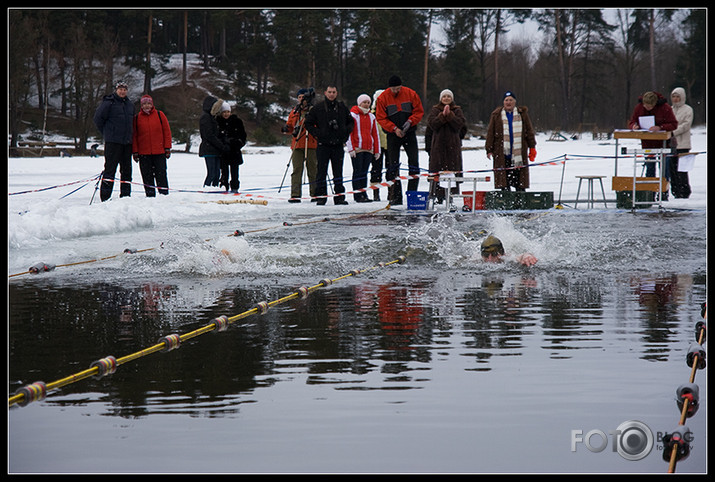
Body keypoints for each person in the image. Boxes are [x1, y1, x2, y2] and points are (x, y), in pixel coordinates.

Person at [375, 76, 424, 205]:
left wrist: (410, 122)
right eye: (393, 89)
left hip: (409, 132)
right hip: (393, 135)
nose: (396, 91)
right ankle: (396, 196)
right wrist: (394, 128)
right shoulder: (383, 98)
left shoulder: (411, 94)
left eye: (398, 88)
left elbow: (419, 111)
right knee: (393, 165)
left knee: (414, 163)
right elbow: (380, 118)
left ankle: (412, 194)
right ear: (389, 87)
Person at [304, 85, 354, 205]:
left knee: (338, 171)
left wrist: (344, 132)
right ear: (325, 93)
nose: (331, 94)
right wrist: (318, 133)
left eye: (334, 92)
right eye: (329, 92)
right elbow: (308, 123)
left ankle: (339, 197)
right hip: (323, 145)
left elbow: (351, 122)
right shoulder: (318, 108)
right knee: (321, 171)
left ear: (336, 93)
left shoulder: (342, 107)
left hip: (338, 145)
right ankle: (321, 196)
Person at [485, 91, 537, 192]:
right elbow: (491, 133)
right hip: (502, 153)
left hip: (518, 154)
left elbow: (529, 131)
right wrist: (489, 149)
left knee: (520, 180)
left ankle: (520, 199)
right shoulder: (496, 115)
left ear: (515, 102)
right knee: (504, 180)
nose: (508, 102)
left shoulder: (522, 114)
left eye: (511, 100)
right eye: (506, 100)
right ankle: (506, 198)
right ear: (503, 102)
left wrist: (532, 147)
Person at [93, 80, 135, 201]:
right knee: (110, 170)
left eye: (125, 90)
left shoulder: (130, 105)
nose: (122, 92)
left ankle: (125, 196)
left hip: (127, 143)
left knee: (126, 170)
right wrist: (108, 133)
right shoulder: (109, 103)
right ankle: (105, 197)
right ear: (116, 90)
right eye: (120, 89)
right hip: (113, 142)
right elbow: (98, 119)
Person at [425, 89, 467, 204]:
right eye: (444, 96)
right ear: (441, 98)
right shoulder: (435, 110)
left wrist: (450, 116)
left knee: (452, 171)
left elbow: (461, 125)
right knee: (437, 172)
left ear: (452, 98)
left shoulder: (457, 110)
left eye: (449, 96)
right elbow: (432, 125)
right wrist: (442, 116)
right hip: (438, 147)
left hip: (453, 147)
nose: (446, 98)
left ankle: (451, 195)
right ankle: (436, 196)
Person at [627, 91, 678, 179]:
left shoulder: (665, 108)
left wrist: (660, 127)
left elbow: (674, 124)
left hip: (664, 145)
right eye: (645, 106)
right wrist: (633, 126)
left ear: (655, 104)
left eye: (649, 107)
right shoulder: (638, 108)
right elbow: (632, 121)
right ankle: (650, 192)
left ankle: (663, 191)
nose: (647, 108)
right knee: (650, 169)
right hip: (647, 145)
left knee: (664, 171)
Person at [132, 94, 172, 197]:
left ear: (152, 104)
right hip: (143, 153)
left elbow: (166, 131)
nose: (147, 106)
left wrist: (167, 147)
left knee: (161, 175)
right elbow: (134, 135)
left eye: (149, 104)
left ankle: (164, 195)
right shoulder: (136, 118)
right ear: (141, 105)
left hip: (159, 152)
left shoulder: (160, 115)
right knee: (147, 176)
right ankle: (150, 196)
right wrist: (135, 151)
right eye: (144, 104)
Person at [282, 88, 318, 203]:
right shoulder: (294, 111)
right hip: (297, 145)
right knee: (297, 169)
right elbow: (290, 127)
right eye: (299, 97)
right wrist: (286, 129)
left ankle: (315, 194)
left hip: (311, 144)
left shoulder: (314, 111)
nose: (302, 99)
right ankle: (295, 194)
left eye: (303, 97)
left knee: (313, 170)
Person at [347, 93, 381, 203]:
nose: (366, 104)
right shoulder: (353, 115)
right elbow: (349, 133)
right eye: (364, 102)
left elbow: (375, 134)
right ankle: (357, 194)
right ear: (359, 103)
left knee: (364, 172)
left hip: (368, 148)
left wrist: (377, 150)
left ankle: (364, 193)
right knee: (358, 171)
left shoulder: (372, 116)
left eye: (368, 103)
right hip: (357, 148)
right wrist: (351, 148)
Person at [199, 96, 230, 188]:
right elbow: (209, 135)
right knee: (212, 173)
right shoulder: (206, 117)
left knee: (216, 174)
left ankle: (214, 189)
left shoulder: (212, 117)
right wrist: (221, 146)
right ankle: (207, 189)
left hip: (215, 149)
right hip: (209, 149)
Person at [216, 101, 246, 193]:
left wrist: (238, 143)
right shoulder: (218, 122)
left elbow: (243, 136)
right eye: (224, 112)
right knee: (224, 171)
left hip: (235, 151)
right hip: (223, 151)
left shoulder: (237, 121)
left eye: (228, 112)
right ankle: (224, 186)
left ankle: (235, 187)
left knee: (235, 171)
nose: (226, 114)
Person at [668, 87, 693, 198]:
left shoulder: (688, 110)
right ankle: (675, 191)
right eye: (674, 96)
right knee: (672, 170)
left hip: (683, 144)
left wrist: (673, 132)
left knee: (682, 170)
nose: (676, 99)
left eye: (678, 96)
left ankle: (684, 191)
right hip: (672, 144)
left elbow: (686, 125)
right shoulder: (669, 109)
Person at [370, 89, 389, 201]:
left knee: (390, 168)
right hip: (376, 146)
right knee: (376, 169)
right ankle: (375, 194)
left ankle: (391, 192)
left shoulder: (390, 112)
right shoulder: (372, 114)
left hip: (390, 144)